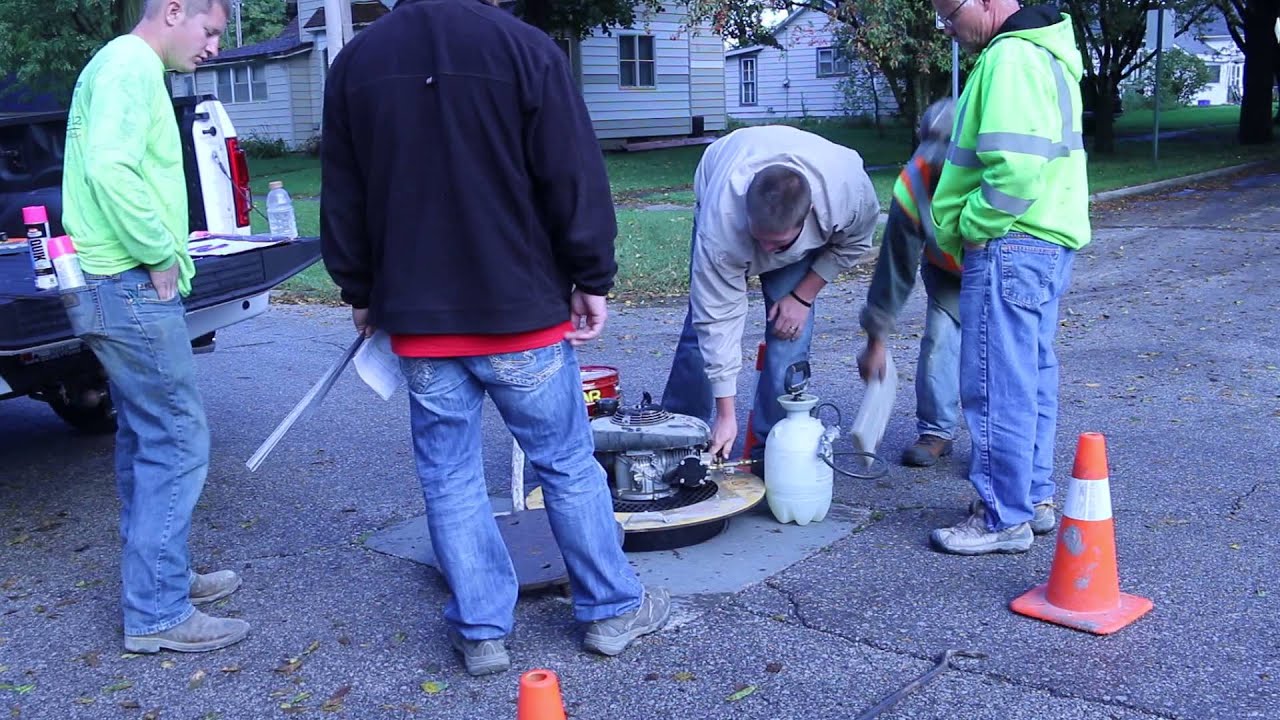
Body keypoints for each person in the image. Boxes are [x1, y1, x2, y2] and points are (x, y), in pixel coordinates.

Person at [320, 0, 669, 677]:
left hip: (420, 319)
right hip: (520, 311)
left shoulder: (357, 61)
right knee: (565, 463)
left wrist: (359, 289)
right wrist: (591, 274)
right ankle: (611, 611)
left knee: (449, 477)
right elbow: (572, 172)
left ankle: (482, 631)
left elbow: (343, 193)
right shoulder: (525, 48)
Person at [60, 0, 248, 652]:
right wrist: (159, 251)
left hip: (114, 284)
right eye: (211, 30)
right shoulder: (129, 67)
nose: (215, 46)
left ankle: (162, 577)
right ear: (173, 11)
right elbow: (109, 167)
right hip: (129, 282)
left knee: (146, 435)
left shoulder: (119, 64)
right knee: (177, 437)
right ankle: (159, 611)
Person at [927, 0, 1092, 555]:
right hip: (1043, 240)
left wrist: (973, 227)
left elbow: (1016, 170)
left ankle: (1001, 516)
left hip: (1009, 242)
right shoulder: (1044, 52)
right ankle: (1031, 499)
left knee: (996, 383)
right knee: (1029, 377)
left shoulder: (1011, 58)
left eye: (950, 13)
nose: (946, 27)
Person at [661, 126, 880, 467]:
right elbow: (717, 318)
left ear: (808, 216)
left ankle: (772, 452)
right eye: (759, 239)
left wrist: (803, 297)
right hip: (725, 174)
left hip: (814, 206)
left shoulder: (848, 195)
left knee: (789, 334)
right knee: (701, 334)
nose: (764, 252)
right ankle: (679, 438)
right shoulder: (721, 224)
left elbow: (853, 246)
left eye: (776, 244)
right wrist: (726, 414)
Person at [858, 99, 964, 469]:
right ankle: (936, 431)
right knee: (938, 344)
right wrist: (875, 342)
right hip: (948, 274)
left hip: (1000, 273)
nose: (937, 165)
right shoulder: (913, 183)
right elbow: (894, 269)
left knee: (997, 357)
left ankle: (1000, 443)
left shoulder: (993, 172)